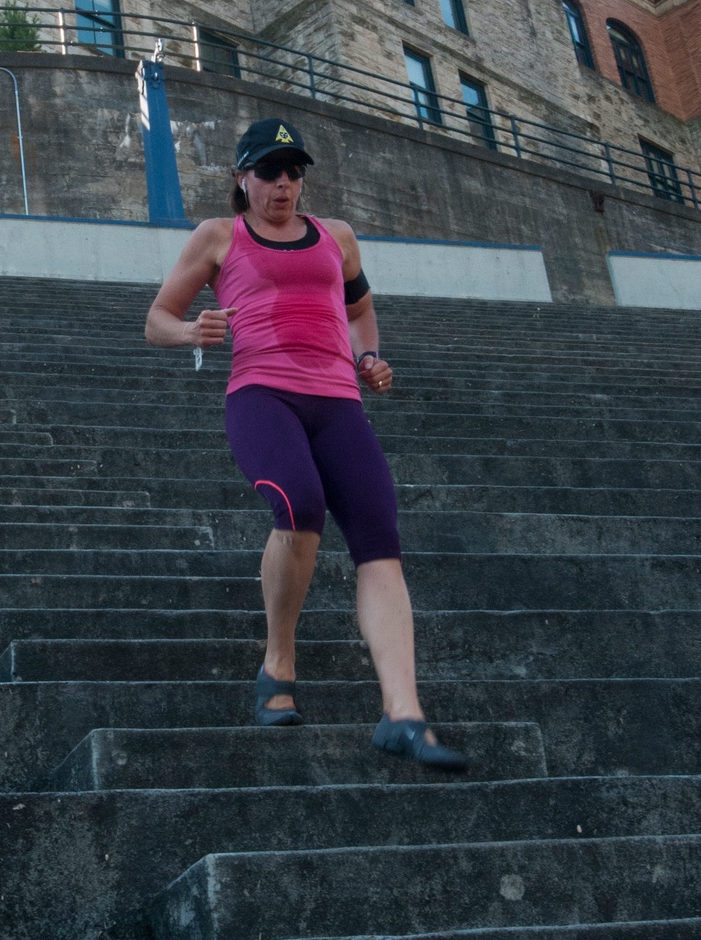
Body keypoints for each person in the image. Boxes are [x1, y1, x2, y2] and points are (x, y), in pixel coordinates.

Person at [145, 117, 467, 769]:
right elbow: (156, 320)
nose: (284, 183)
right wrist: (192, 333)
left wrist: (370, 355)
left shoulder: (338, 237)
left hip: (338, 403)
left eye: (294, 171)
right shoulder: (217, 236)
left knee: (380, 539)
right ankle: (279, 661)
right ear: (243, 179)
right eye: (269, 171)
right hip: (262, 394)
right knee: (299, 503)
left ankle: (402, 715)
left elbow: (358, 310)